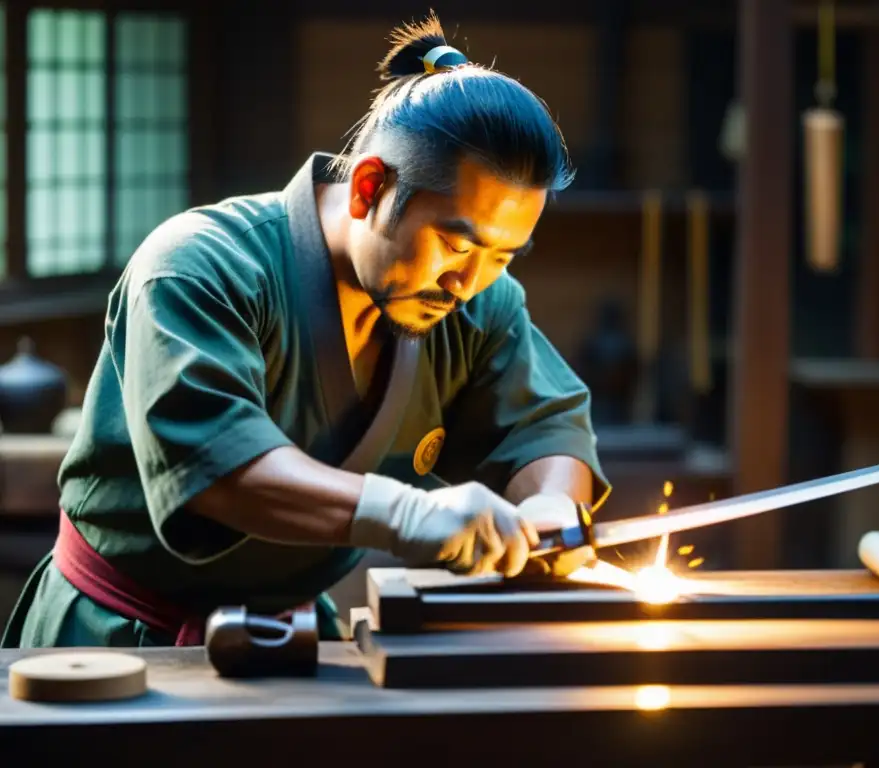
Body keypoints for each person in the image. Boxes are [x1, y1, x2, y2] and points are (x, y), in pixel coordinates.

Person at [2, 13, 610, 649]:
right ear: (369, 187)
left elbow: (543, 425)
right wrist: (404, 513)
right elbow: (219, 468)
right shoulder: (198, 266)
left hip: (291, 637)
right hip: (118, 634)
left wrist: (554, 512)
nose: (469, 282)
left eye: (503, 256)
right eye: (457, 244)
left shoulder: (478, 303)